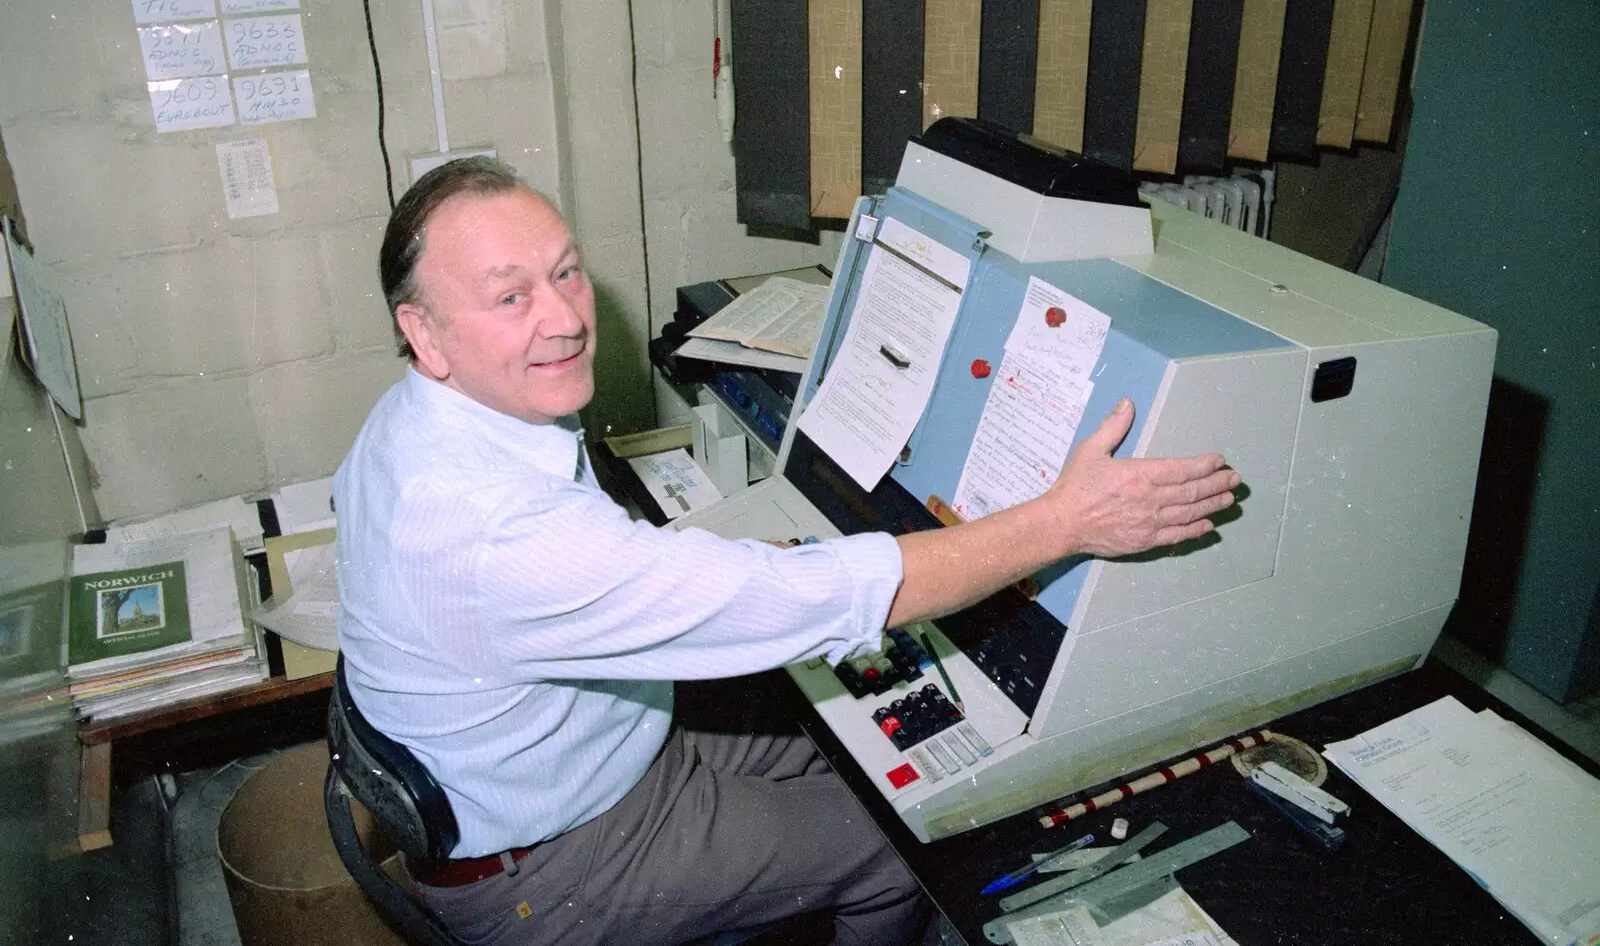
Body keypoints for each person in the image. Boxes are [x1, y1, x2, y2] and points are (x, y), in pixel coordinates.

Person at [334, 157, 1240, 946]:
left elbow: (596, 576)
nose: (564, 317)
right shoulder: (488, 531)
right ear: (425, 333)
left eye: (565, 271)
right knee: (906, 846)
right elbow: (825, 600)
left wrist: (733, 571)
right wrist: (1064, 522)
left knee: (846, 747)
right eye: (509, 296)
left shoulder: (417, 421)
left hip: (583, 751)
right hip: (551, 871)